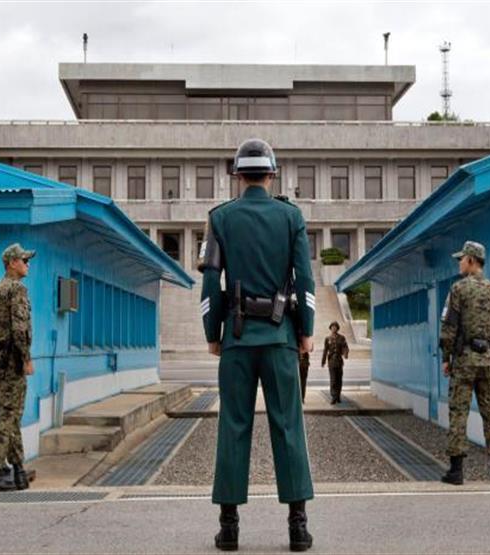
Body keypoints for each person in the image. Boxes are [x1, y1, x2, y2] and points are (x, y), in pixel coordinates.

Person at [198, 138, 315, 552]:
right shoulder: (291, 217)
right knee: (288, 426)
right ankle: (297, 527)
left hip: (237, 337)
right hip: (280, 337)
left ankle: (229, 527)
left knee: (233, 426)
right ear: (272, 173)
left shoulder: (220, 218)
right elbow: (304, 277)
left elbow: (210, 281)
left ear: (237, 175)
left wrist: (213, 333)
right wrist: (306, 329)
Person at [439, 241, 490, 486]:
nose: (459, 263)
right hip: (489, 361)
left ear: (471, 260)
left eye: (461, 259)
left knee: (459, 413)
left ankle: (456, 471)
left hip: (464, 360)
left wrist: (446, 357)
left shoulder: (458, 289)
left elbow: (449, 327)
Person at [0, 243, 35, 492]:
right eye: (24, 260)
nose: (27, 264)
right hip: (12, 361)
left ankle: (19, 470)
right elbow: (20, 329)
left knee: (9, 414)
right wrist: (26, 358)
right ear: (12, 263)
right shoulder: (16, 289)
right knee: (9, 414)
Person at [321, 321, 349, 404]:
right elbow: (325, 350)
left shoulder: (342, 338)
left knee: (339, 379)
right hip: (331, 362)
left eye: (335, 327)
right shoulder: (327, 339)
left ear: (337, 328)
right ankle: (333, 396)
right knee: (333, 380)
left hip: (339, 361)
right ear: (330, 328)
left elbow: (345, 347)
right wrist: (323, 361)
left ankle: (338, 395)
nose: (334, 328)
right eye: (332, 327)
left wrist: (345, 354)